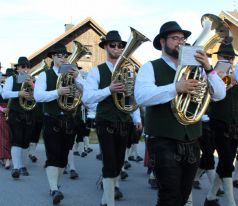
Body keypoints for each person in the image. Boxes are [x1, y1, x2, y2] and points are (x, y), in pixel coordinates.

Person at [134, 21, 226, 206]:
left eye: (183, 38)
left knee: (184, 196)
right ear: (162, 42)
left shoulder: (197, 69)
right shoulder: (150, 67)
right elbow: (142, 97)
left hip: (192, 140)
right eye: (175, 38)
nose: (180, 42)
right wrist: (176, 88)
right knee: (169, 197)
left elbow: (219, 94)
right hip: (162, 140)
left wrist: (208, 68)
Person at [82, 30, 142, 206]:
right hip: (106, 121)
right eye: (113, 45)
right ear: (106, 47)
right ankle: (109, 201)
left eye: (120, 46)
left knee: (119, 160)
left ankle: (108, 192)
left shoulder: (128, 71)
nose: (117, 48)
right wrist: (109, 89)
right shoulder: (96, 71)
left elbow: (132, 98)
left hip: (123, 121)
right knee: (109, 160)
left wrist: (136, 117)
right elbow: (87, 97)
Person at [34, 42, 84, 205]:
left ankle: (56, 184)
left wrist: (78, 84)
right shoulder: (45, 75)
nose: (63, 58)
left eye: (65, 56)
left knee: (63, 156)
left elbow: (86, 91)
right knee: (53, 154)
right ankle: (54, 188)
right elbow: (38, 96)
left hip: (70, 119)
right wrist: (58, 92)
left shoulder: (72, 74)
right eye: (59, 56)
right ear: (53, 57)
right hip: (52, 119)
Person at [205, 43, 238, 206]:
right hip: (217, 122)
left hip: (235, 124)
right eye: (226, 57)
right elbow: (212, 96)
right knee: (226, 162)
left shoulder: (236, 74)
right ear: (219, 57)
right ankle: (232, 203)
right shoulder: (210, 73)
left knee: (226, 160)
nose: (230, 60)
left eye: (232, 58)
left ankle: (210, 198)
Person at [2, 57, 35, 178]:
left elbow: (38, 95)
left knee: (26, 140)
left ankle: (22, 165)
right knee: (16, 138)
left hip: (29, 112)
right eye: (23, 67)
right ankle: (16, 167)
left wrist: (32, 85)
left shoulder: (32, 80)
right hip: (15, 111)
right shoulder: (11, 79)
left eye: (27, 66)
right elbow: (4, 93)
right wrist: (19, 93)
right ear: (18, 68)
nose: (25, 69)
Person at [0, 68, 14, 170]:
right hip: (2, 111)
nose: (9, 78)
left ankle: (5, 157)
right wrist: (2, 109)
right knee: (5, 136)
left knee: (10, 136)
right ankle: (6, 159)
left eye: (11, 77)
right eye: (7, 77)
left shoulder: (14, 87)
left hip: (12, 111)